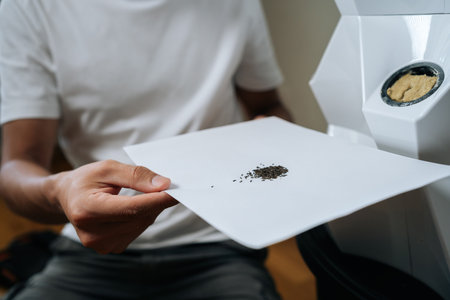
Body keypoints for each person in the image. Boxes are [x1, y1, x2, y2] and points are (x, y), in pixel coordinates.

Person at [0, 0, 292, 299]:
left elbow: (269, 107)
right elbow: (18, 164)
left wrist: (273, 145)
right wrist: (59, 190)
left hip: (218, 246)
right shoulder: (29, 6)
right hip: (90, 251)